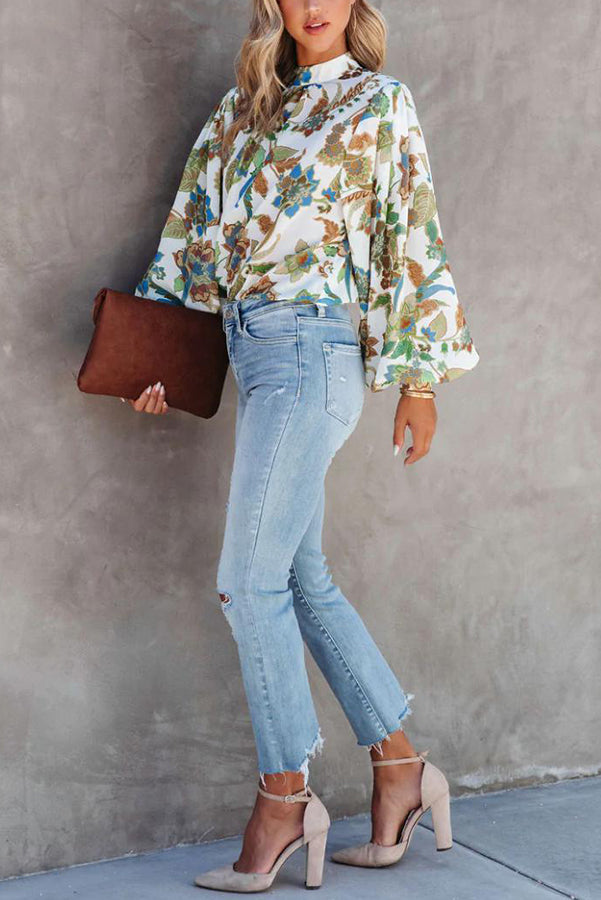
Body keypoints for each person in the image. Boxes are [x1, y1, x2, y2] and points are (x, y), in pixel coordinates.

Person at [124, 0, 480, 892]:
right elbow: (191, 236)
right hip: (250, 354)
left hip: (315, 352)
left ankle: (284, 800)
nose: (312, 5)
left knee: (248, 582)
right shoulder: (244, 108)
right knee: (297, 578)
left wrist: (420, 381)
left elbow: (410, 234)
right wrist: (153, 352)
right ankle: (401, 770)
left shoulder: (379, 102)